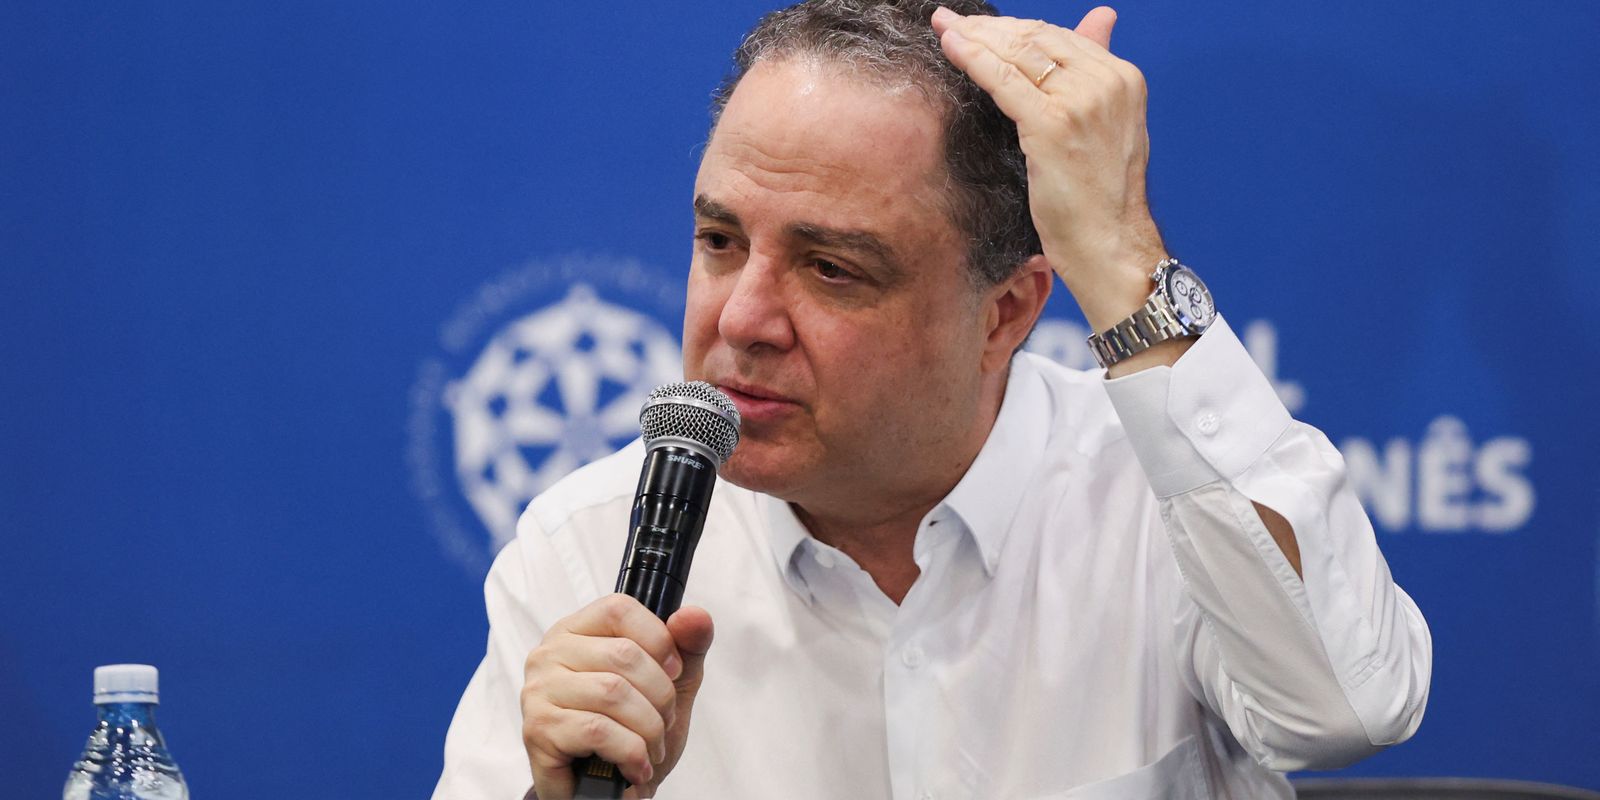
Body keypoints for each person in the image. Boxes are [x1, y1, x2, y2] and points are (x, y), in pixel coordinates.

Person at [432, 1, 1432, 797]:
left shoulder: (1161, 503)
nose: (741, 318)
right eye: (720, 241)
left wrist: (1119, 254)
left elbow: (1345, 709)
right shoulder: (585, 548)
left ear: (1005, 314)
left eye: (831, 268)